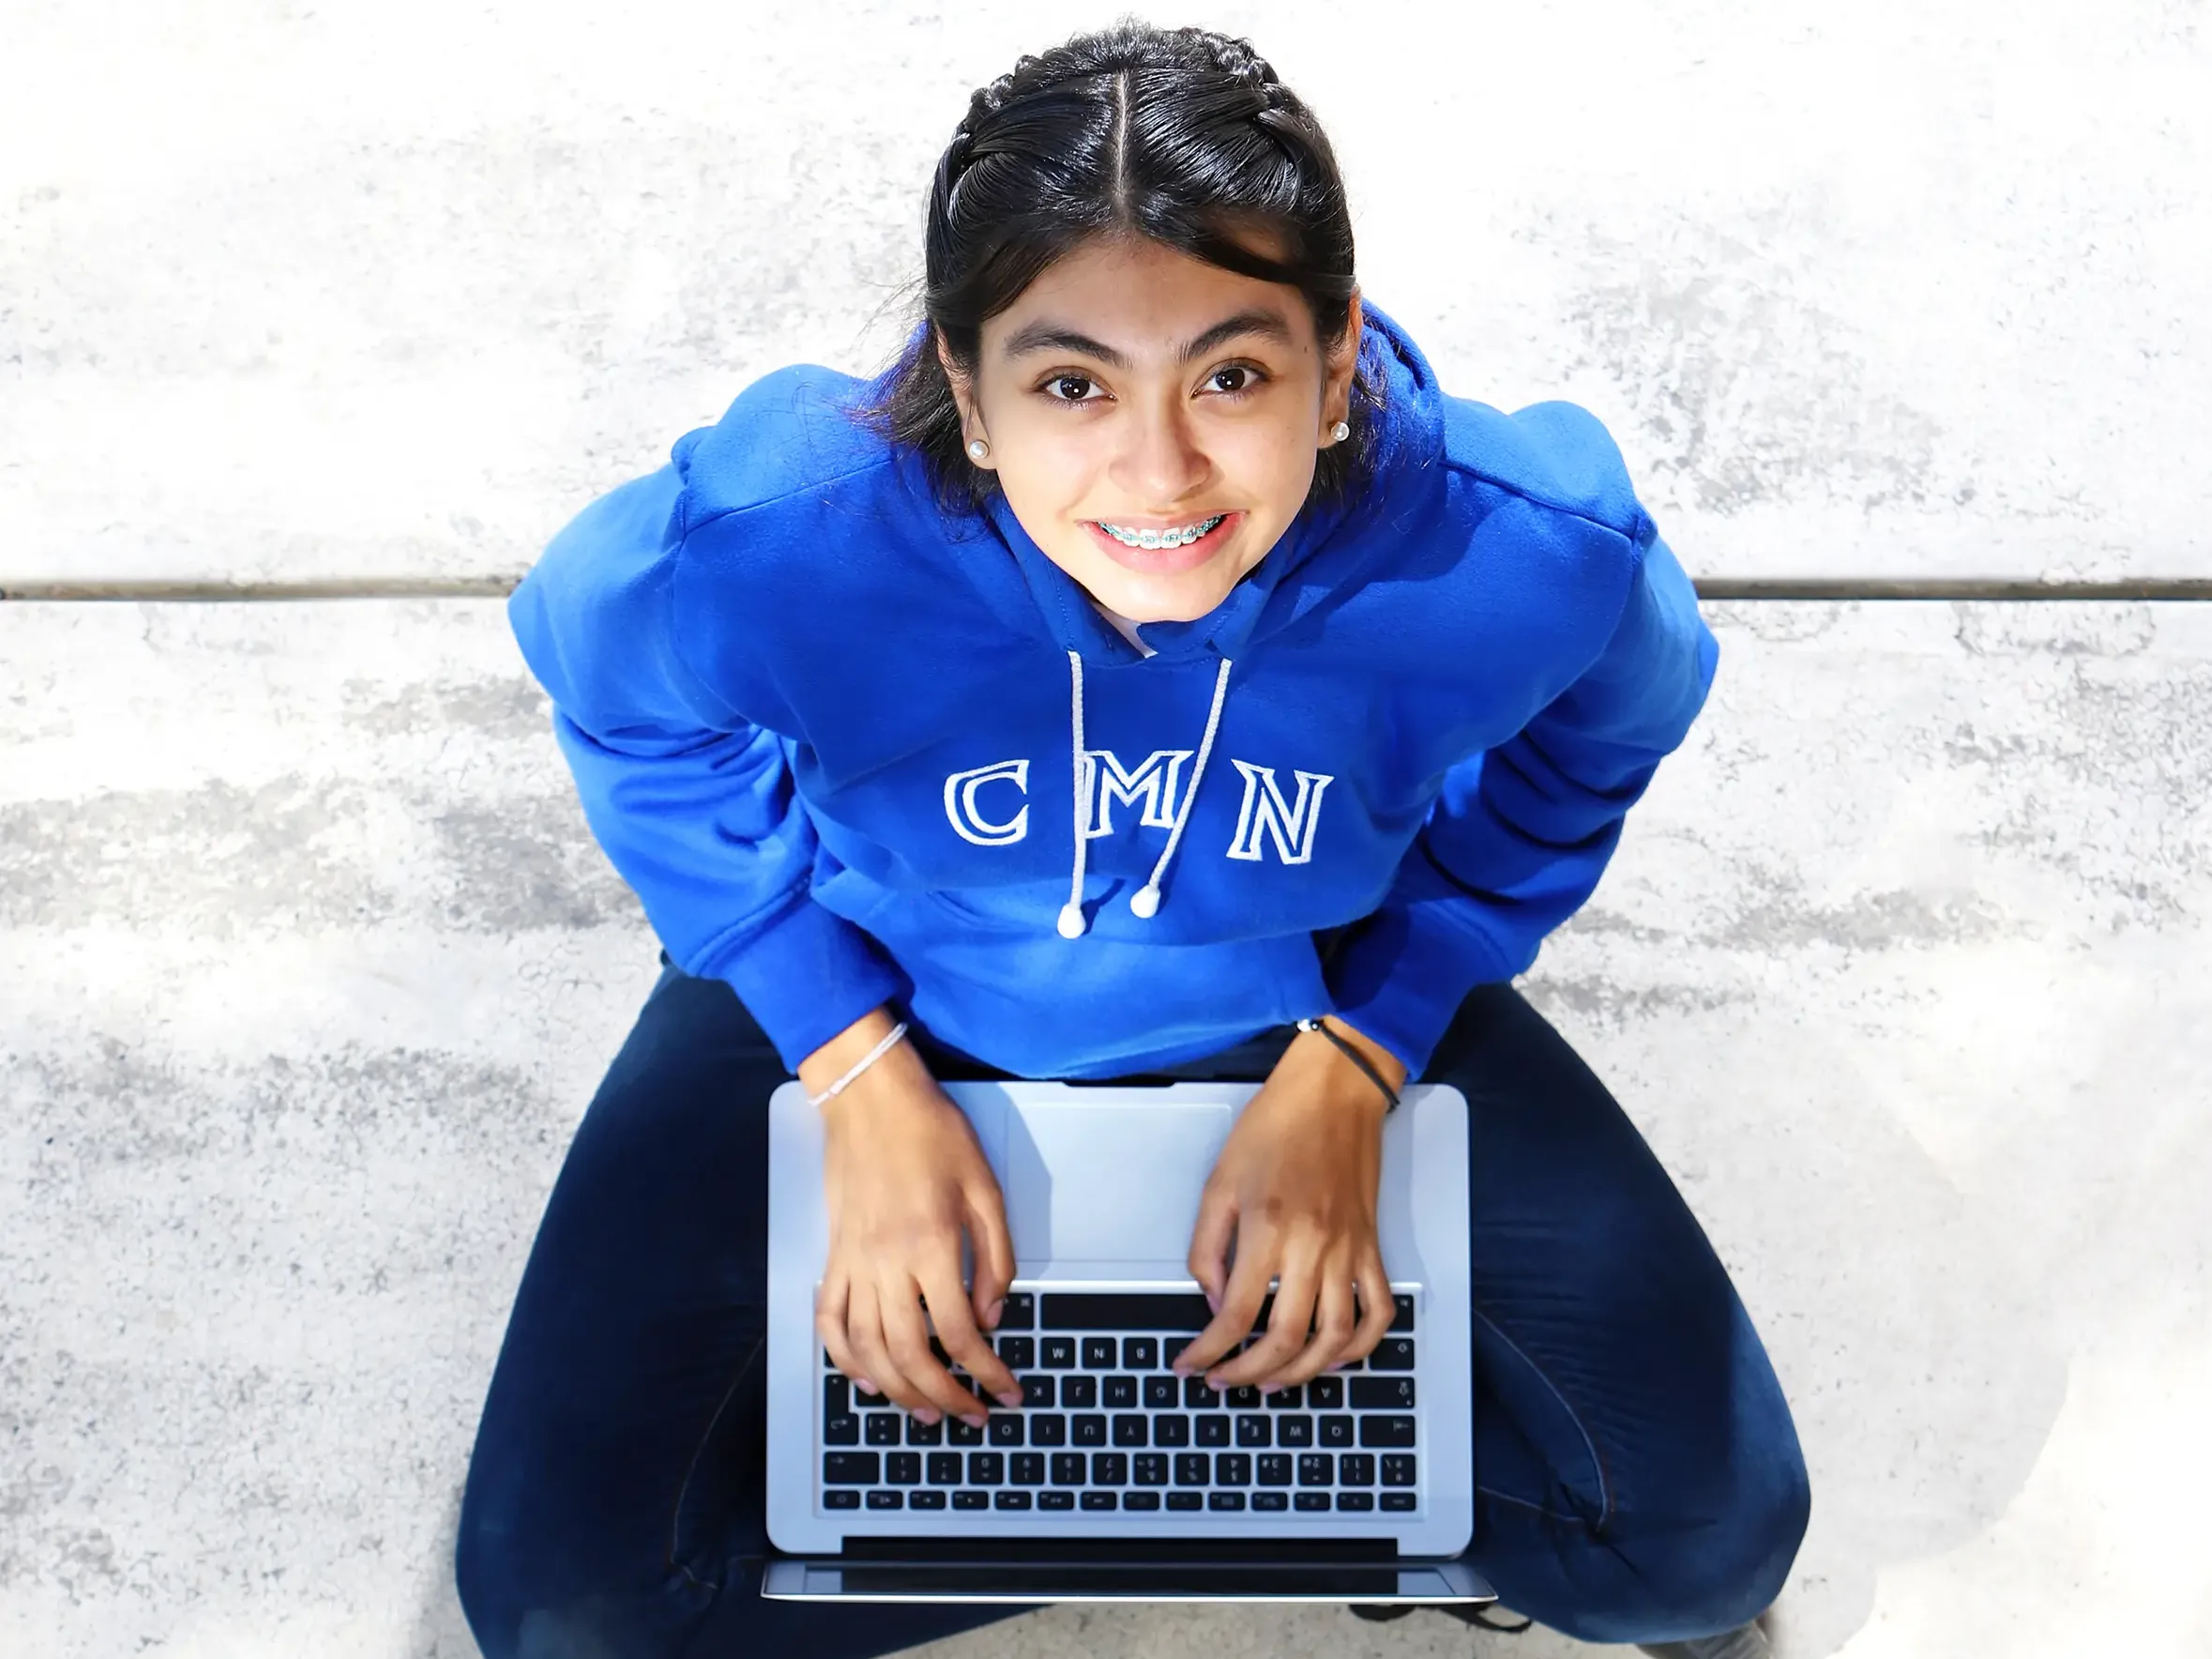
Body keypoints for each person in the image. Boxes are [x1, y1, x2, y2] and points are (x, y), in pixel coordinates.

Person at [452, 19, 1810, 1659]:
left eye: (1232, 375)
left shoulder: (1518, 548)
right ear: (966, 391)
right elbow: (615, 702)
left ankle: (1140, 1490)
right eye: (1070, 385)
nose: (1158, 473)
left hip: (1301, 984)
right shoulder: (780, 533)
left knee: (1696, 1549)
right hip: (874, 964)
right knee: (563, 1618)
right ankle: (1225, 1495)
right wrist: (847, 1064)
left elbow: (1610, 722)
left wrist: (1367, 1048)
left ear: (1335, 364)